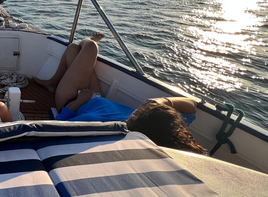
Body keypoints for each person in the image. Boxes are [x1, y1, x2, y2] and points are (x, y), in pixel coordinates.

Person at [34, 34, 206, 155]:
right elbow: (191, 106)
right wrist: (161, 102)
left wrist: (79, 101)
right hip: (99, 97)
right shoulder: (165, 130)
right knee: (73, 51)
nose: (139, 110)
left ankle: (86, 43)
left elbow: (58, 124)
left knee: (86, 47)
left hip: (72, 99)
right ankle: (52, 82)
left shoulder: (102, 127)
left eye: (140, 113)